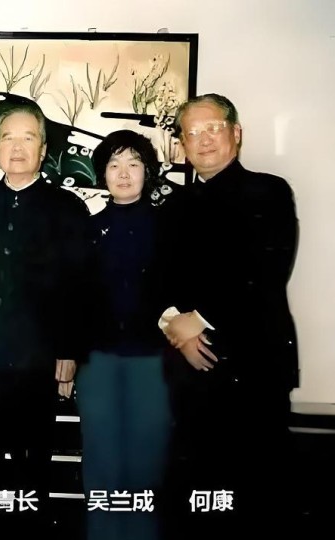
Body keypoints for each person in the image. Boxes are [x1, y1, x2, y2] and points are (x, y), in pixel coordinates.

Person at [161, 93, 299, 538]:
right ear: (182, 144)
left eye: (212, 128)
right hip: (190, 367)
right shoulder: (174, 205)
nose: (203, 140)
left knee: (255, 496)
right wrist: (173, 324)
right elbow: (157, 278)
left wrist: (198, 319)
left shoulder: (269, 191)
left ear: (235, 133)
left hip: (255, 367)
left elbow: (266, 268)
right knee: (197, 495)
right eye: (192, 132)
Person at [0, 102, 90, 539]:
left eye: (28, 138)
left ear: (43, 149)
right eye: (8, 138)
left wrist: (69, 351)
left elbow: (79, 284)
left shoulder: (67, 207)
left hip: (39, 360)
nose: (17, 148)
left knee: (32, 466)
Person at [75, 130, 175, 540]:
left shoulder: (167, 227)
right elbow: (75, 298)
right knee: (101, 458)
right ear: (102, 173)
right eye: (114, 164)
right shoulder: (88, 228)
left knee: (146, 461)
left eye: (133, 164)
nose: (123, 173)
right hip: (98, 360)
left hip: (152, 360)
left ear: (147, 171)